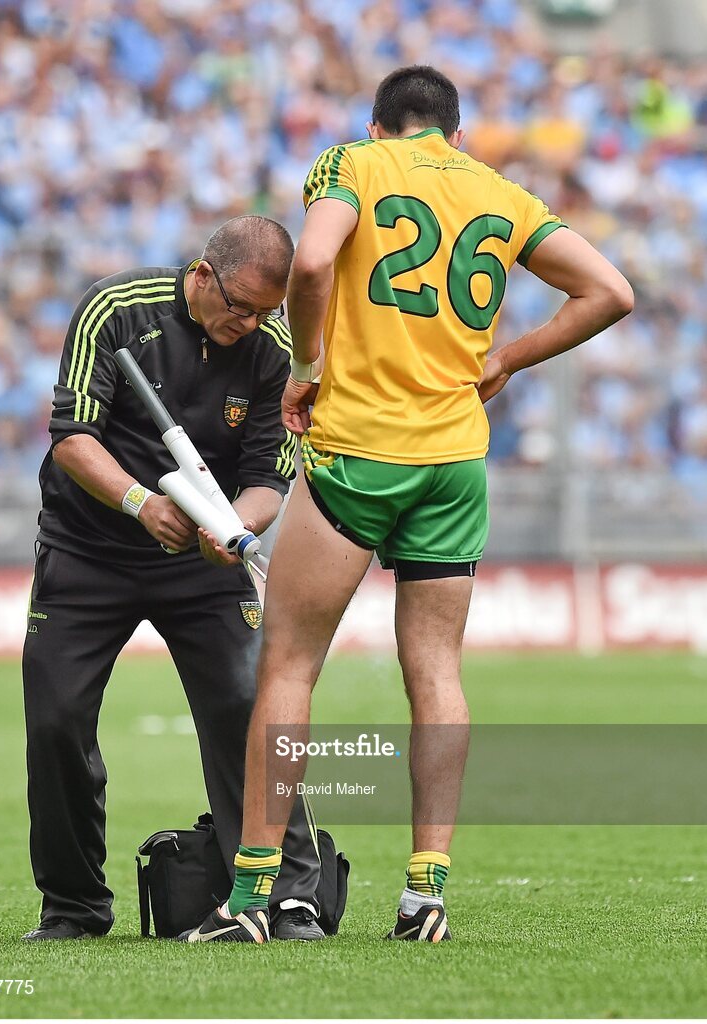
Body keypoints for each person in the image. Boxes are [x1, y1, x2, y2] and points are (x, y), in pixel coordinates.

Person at [187, 66, 634, 943]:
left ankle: (249, 900)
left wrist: (308, 367)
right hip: (455, 460)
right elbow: (610, 292)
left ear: (378, 124)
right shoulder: (499, 191)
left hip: (361, 451)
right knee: (434, 672)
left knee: (286, 664)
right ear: (455, 136)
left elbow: (313, 258)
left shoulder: (350, 163)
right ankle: (425, 891)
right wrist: (508, 357)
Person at [21, 215, 324, 943]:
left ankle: (285, 896)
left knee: (247, 708)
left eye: (265, 312)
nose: (247, 324)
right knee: (57, 721)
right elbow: (72, 438)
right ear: (200, 275)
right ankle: (74, 906)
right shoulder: (114, 309)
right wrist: (139, 503)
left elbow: (265, 479)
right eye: (238, 306)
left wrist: (236, 531)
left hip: (202, 564)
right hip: (87, 551)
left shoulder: (272, 352)